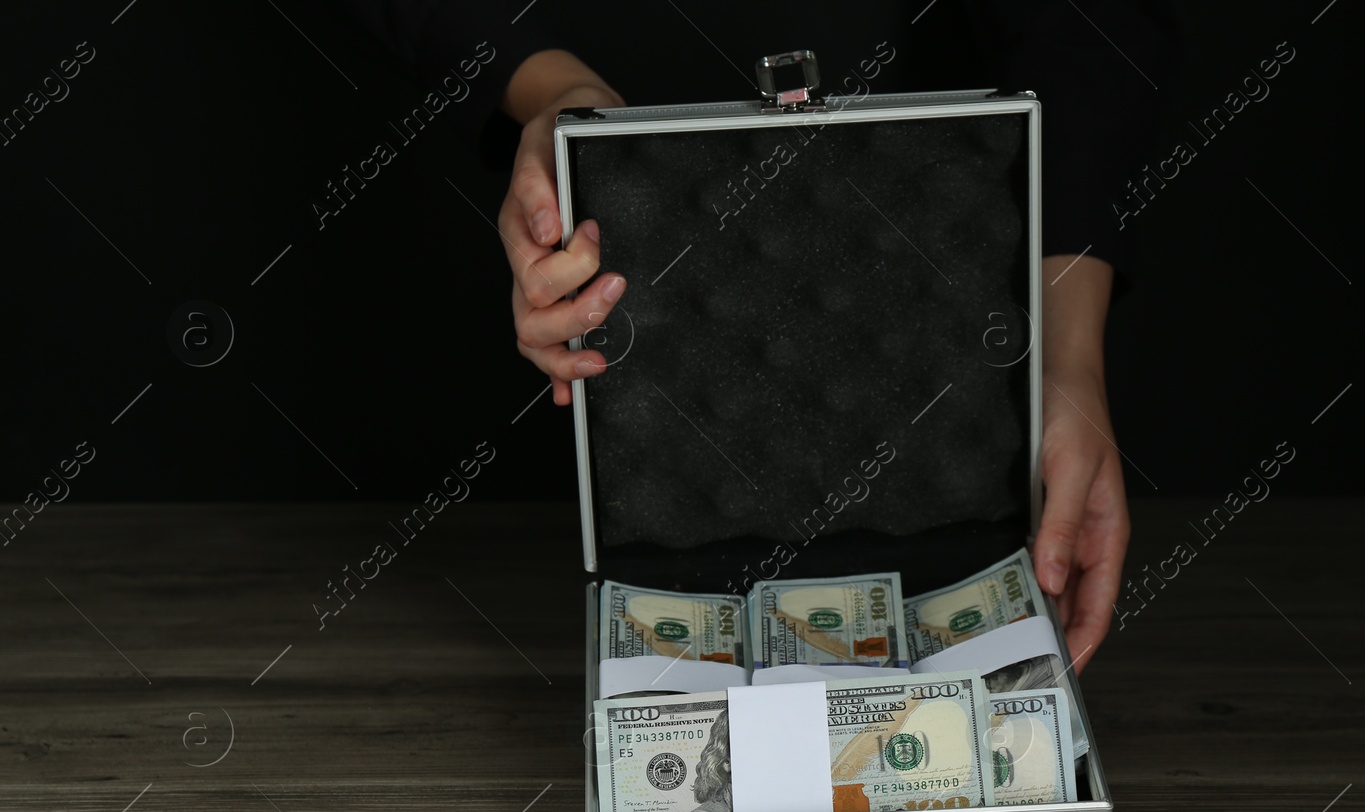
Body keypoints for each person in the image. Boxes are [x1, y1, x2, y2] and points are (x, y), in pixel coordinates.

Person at [339, 1, 1173, 668]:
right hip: (524, 517)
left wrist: (1065, 364)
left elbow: (1088, 26)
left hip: (963, 449)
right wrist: (562, 103)